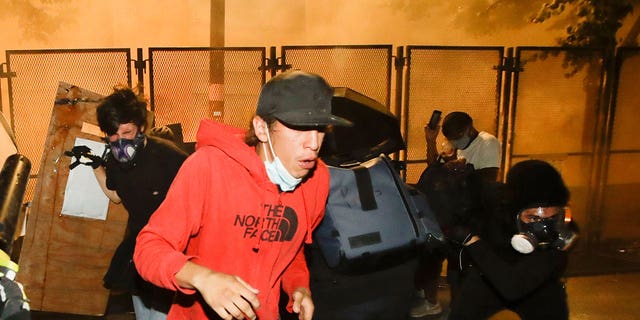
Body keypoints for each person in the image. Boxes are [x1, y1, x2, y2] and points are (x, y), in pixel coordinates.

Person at [133, 70, 352, 320]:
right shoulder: (209, 167)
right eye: (300, 128)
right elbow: (148, 249)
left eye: (320, 129)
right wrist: (202, 277)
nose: (313, 143)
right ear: (261, 128)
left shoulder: (317, 179)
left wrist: (298, 286)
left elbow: (291, 246)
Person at [92, 85, 189, 319]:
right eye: (113, 135)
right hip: (140, 248)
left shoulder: (170, 157)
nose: (120, 142)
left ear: (142, 128)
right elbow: (116, 196)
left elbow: (202, 198)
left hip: (171, 250)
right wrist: (96, 167)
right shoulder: (115, 161)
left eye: (127, 133)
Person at [447, 159, 578, 319]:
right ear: (513, 212)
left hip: (533, 285)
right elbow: (480, 188)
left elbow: (513, 286)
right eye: (533, 218)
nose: (543, 228)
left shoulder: (559, 238)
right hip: (489, 276)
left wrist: (471, 241)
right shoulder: (499, 206)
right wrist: (462, 178)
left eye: (552, 217)